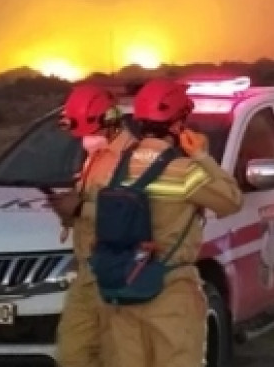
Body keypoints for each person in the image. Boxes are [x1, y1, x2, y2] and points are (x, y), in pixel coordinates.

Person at [84, 78, 242, 367]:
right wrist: (202, 156)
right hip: (170, 291)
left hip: (121, 290)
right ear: (178, 124)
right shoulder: (184, 172)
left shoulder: (110, 169)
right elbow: (231, 200)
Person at [50, 83, 132, 367]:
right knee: (74, 354)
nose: (84, 138)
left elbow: (133, 213)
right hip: (87, 273)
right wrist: (67, 212)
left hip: (120, 274)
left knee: (117, 355)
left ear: (109, 121)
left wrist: (81, 208)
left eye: (89, 130)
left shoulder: (132, 159)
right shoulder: (94, 157)